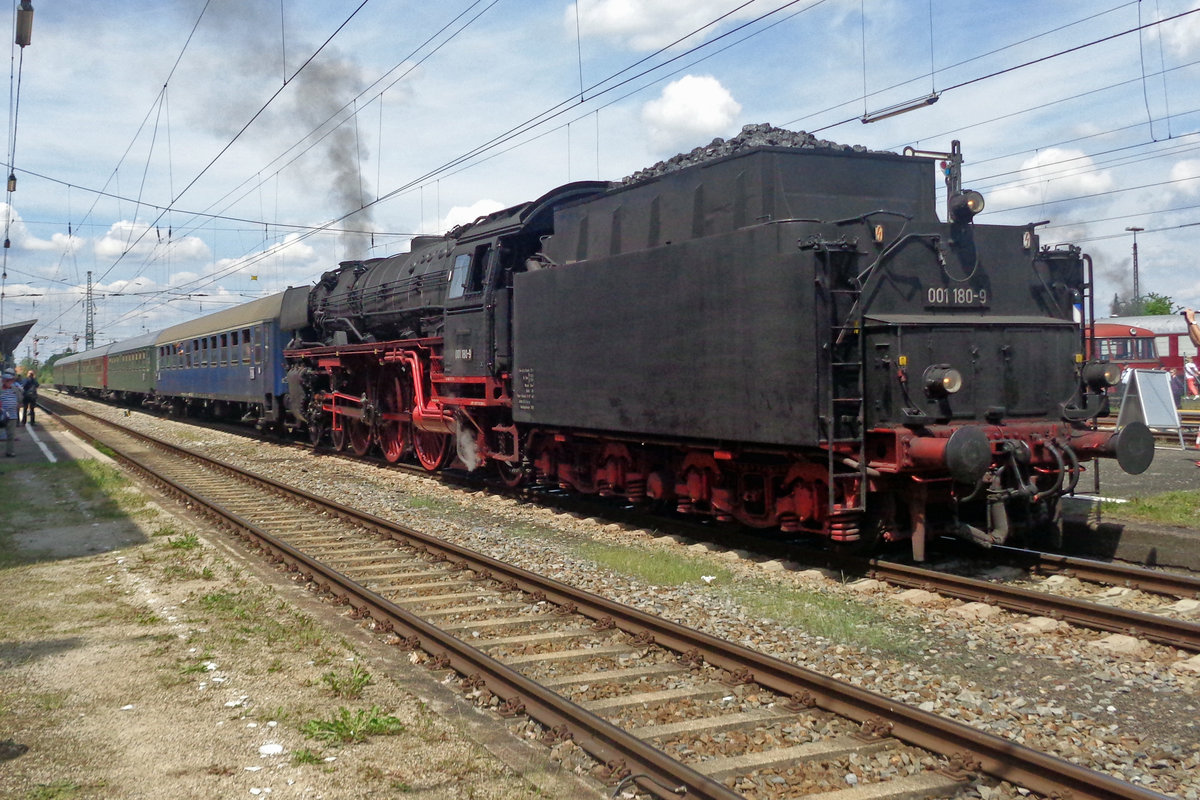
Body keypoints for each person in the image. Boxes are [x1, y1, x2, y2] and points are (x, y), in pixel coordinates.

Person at [0, 369, 22, 457]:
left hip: (12, 415)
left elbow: (20, 399)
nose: (9, 382)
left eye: (11, 380)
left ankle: (10, 451)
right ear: (3, 381)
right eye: (7, 380)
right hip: (1, 416)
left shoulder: (15, 389)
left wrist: (18, 405)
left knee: (11, 435)